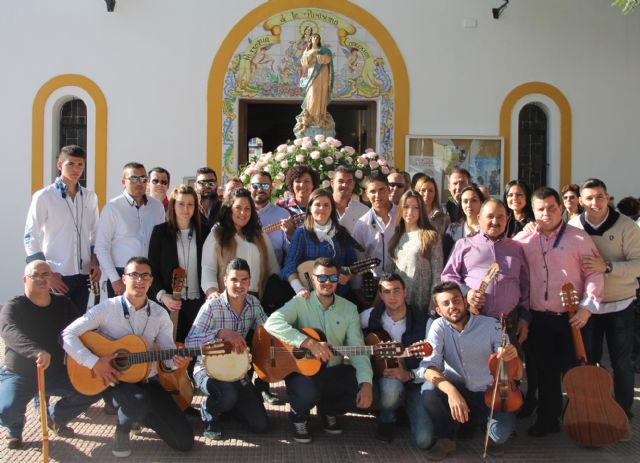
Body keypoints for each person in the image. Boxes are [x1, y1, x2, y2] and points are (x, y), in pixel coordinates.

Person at [61, 256, 194, 458]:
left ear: (151, 281)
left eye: (145, 276)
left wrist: (176, 362)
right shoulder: (107, 308)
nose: (139, 280)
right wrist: (94, 363)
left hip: (148, 381)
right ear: (124, 279)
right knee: (137, 400)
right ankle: (123, 429)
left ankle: (140, 414)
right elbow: (67, 335)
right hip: (115, 380)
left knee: (184, 442)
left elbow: (167, 354)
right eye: (134, 275)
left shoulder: (159, 314)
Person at [513, 187, 603, 437]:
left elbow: (594, 274)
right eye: (540, 209)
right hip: (540, 319)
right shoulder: (525, 240)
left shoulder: (579, 238)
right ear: (533, 212)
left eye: (552, 207)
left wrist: (588, 308)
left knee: (577, 372)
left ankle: (584, 420)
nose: (547, 213)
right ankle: (548, 420)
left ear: (561, 208)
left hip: (574, 318)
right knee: (545, 374)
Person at [264, 257, 373, 443]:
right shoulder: (300, 302)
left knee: (370, 391)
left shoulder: (350, 309)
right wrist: (307, 342)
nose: (327, 283)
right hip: (302, 372)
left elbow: (359, 349)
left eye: (332, 278)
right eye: (321, 278)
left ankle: (328, 409)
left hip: (333, 371)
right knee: (307, 393)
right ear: (313, 279)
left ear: (338, 278)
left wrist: (366, 382)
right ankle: (299, 415)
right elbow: (271, 323)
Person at [0, 261, 100, 450]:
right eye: (35, 275)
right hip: (19, 374)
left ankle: (55, 417)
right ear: (24, 280)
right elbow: (9, 331)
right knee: (6, 409)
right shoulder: (14, 306)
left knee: (93, 388)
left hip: (53, 373)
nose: (41, 279)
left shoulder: (62, 303)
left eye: (46, 274)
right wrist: (36, 351)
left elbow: (82, 327)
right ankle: (14, 428)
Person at [570, 178, 640, 435]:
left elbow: (638, 264)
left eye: (600, 197)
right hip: (588, 306)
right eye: (589, 198)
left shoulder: (627, 226)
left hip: (620, 304)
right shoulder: (574, 225)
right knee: (588, 361)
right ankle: (590, 410)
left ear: (608, 198)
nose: (595, 202)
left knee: (622, 363)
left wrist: (607, 267)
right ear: (580, 201)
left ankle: (623, 413)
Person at [419, 282, 519, 460]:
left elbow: (503, 354)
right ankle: (446, 438)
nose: (453, 307)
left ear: (465, 302)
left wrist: (508, 354)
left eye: (456, 300)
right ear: (438, 310)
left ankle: (478, 423)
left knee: (500, 435)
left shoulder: (491, 324)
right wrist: (451, 392)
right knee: (428, 391)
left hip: (490, 392)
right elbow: (427, 367)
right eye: (446, 303)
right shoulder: (438, 326)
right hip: (458, 388)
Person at [185, 258, 269, 439]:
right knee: (227, 394)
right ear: (224, 281)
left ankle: (227, 407)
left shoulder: (253, 303)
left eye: (244, 279)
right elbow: (190, 342)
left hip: (238, 372)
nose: (239, 285)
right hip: (207, 370)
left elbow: (269, 331)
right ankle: (209, 414)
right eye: (234, 280)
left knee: (260, 425)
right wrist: (221, 333)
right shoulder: (212, 306)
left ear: (250, 280)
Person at [441, 199, 530, 352]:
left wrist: (525, 318)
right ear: (479, 218)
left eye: (500, 217)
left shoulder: (516, 248)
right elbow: (448, 276)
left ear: (507, 219)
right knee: (476, 370)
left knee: (509, 372)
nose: (495, 221)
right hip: (474, 321)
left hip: (509, 323)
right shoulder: (464, 245)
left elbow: (525, 286)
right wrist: (467, 293)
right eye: (490, 216)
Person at [24, 145, 101, 310]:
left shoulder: (90, 197)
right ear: (60, 166)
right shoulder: (44, 196)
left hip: (83, 274)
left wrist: (96, 261)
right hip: (57, 273)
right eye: (70, 164)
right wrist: (46, 274)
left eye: (80, 164)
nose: (76, 169)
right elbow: (30, 236)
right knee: (55, 326)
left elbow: (95, 232)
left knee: (78, 325)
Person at [360, 273, 431, 447]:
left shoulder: (425, 321)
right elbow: (349, 335)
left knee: (425, 441)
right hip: (386, 377)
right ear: (381, 295)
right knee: (391, 388)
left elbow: (433, 361)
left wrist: (409, 374)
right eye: (387, 292)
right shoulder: (369, 316)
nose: (392, 296)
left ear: (405, 292)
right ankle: (387, 418)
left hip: (416, 382)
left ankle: (406, 408)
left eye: (397, 291)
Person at [148, 185, 209, 343]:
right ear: (173, 205)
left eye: (190, 204)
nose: (185, 209)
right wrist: (162, 296)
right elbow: (152, 269)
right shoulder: (160, 232)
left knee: (195, 350)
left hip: (199, 302)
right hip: (171, 302)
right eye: (181, 204)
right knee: (171, 349)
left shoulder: (205, 232)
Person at [95, 162, 165, 297]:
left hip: (150, 275)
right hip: (122, 274)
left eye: (143, 178)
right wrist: (114, 279)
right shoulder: (112, 208)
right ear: (123, 181)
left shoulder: (157, 207)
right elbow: (101, 246)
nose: (139, 182)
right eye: (133, 179)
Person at [201, 188, 279, 300]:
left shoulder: (260, 235)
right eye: (238, 208)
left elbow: (273, 268)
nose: (243, 213)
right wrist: (212, 292)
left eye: (247, 208)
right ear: (229, 209)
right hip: (225, 301)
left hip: (257, 302)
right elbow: (208, 268)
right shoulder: (217, 234)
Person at [282, 188, 357, 299]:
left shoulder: (342, 233)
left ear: (332, 209)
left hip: (339, 295)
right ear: (310, 208)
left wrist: (348, 276)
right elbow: (290, 265)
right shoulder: (301, 233)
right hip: (309, 295)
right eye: (317, 204)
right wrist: (299, 289)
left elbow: (353, 264)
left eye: (326, 205)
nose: (322, 208)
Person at [386, 190, 443, 313]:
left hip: (422, 302)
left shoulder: (430, 236)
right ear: (400, 209)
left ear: (421, 211)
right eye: (406, 207)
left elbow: (437, 273)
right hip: (398, 303)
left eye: (415, 208)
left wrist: (433, 302)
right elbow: (389, 273)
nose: (410, 212)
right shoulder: (395, 238)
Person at [293, 32, 335, 137]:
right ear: (311, 40)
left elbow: (328, 59)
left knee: (322, 95)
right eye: (314, 37)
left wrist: (318, 55)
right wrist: (311, 54)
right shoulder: (307, 51)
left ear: (319, 39)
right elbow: (304, 63)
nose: (315, 38)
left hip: (323, 75)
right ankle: (311, 117)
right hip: (312, 77)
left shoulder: (325, 50)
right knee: (312, 95)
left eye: (317, 37)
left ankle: (321, 116)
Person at [442, 184, 485, 262]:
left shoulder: (487, 230)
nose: (469, 205)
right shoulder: (452, 230)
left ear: (481, 203)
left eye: (474, 200)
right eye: (465, 201)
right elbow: (446, 258)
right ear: (461, 204)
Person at [331, 166, 369, 235]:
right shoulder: (321, 207)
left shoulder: (364, 212)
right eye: (340, 181)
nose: (345, 185)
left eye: (349, 182)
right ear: (332, 184)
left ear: (353, 184)